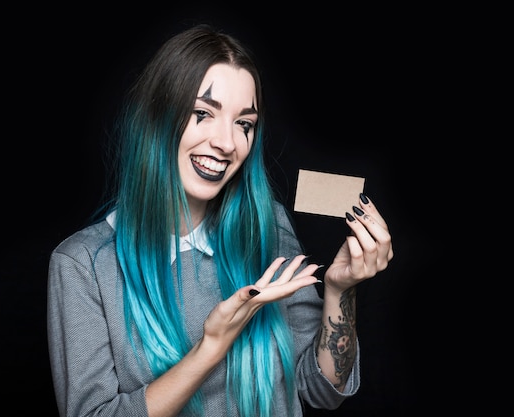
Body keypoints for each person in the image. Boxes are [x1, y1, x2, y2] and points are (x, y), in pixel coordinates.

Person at [47, 23, 394, 417]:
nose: (227, 143)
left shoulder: (268, 229)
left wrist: (340, 290)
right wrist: (211, 345)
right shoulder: (83, 265)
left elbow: (323, 390)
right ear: (156, 117)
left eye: (243, 123)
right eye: (202, 113)